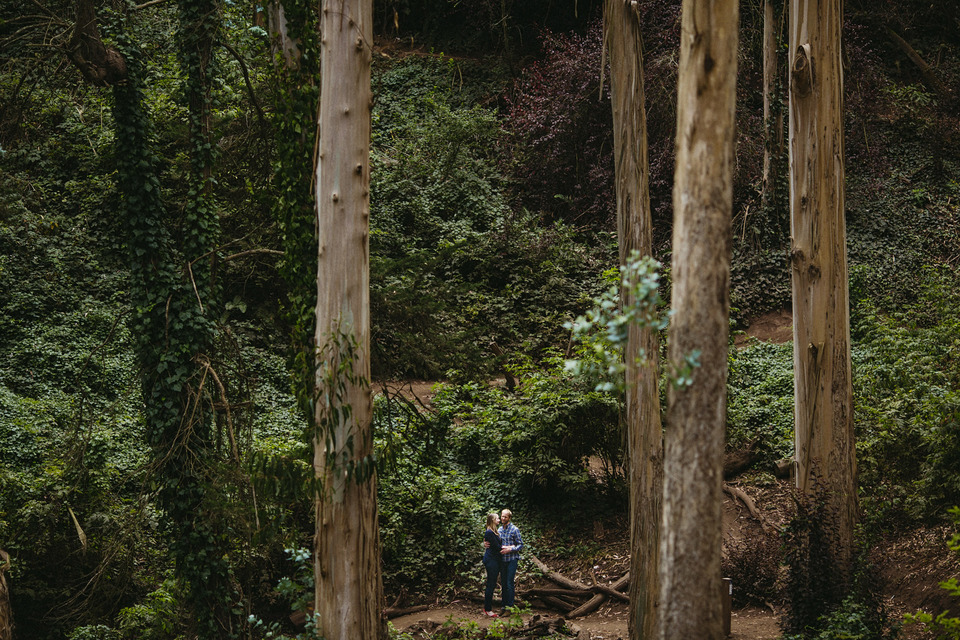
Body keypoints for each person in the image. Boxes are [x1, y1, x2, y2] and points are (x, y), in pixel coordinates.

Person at [497, 508, 523, 613]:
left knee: (509, 583)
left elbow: (521, 545)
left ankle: (510, 606)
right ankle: (503, 606)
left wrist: (510, 549)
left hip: (512, 559)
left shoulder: (514, 529)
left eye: (505, 517)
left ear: (509, 518)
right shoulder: (499, 530)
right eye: (502, 516)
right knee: (503, 582)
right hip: (502, 560)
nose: (503, 518)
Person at [482, 513, 503, 618]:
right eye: (497, 518)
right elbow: (497, 547)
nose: (499, 519)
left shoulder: (494, 531)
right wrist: (511, 547)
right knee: (491, 584)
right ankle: (488, 609)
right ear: (492, 520)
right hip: (491, 560)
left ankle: (488, 607)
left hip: (494, 560)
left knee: (492, 583)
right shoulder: (489, 532)